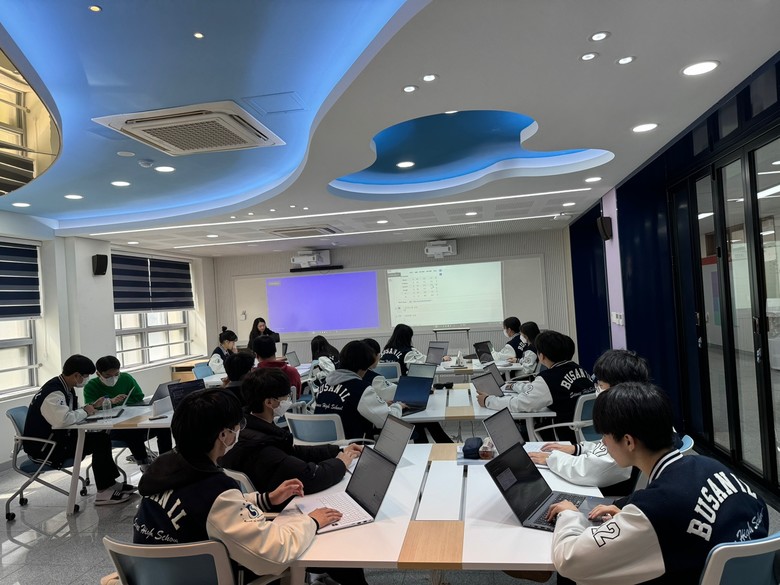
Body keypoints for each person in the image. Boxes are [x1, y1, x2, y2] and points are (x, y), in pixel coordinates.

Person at [548, 382, 768, 585]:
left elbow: (569, 561)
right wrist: (631, 520)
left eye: (605, 436)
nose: (603, 443)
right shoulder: (709, 465)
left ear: (628, 441)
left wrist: (570, 515)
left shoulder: (655, 508)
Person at [134, 388, 342, 578]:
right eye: (238, 426)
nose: (240, 430)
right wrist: (312, 521)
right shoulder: (214, 489)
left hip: (155, 575)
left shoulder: (164, 467)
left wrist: (266, 499)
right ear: (224, 435)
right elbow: (274, 554)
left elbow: (205, 509)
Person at [221, 368, 361, 499]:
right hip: (282, 503)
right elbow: (310, 477)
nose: (288, 400)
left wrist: (337, 450)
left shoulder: (248, 427)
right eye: (285, 397)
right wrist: (341, 463)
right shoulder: (262, 446)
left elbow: (292, 452)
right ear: (269, 402)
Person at [527, 349, 651, 493]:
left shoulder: (626, 421)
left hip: (609, 493)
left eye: (601, 385)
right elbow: (605, 448)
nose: (597, 389)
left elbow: (590, 471)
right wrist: (577, 449)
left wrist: (551, 459)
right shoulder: (637, 408)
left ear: (618, 388)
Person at [23, 354, 134, 505]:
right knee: (99, 442)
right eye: (86, 376)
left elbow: (68, 413)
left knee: (102, 438)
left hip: (59, 440)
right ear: (76, 375)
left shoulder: (65, 387)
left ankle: (109, 484)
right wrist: (86, 411)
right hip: (46, 448)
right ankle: (103, 492)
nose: (86, 379)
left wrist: (92, 406)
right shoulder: (54, 393)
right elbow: (62, 420)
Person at [476, 330, 593, 442]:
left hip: (562, 433)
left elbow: (520, 404)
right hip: (590, 432)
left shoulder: (549, 378)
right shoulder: (580, 369)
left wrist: (488, 400)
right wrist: (515, 386)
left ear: (541, 356)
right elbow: (543, 390)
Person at [84, 355, 173, 467]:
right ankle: (144, 464)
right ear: (98, 374)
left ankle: (167, 461)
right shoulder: (91, 386)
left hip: (130, 418)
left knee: (162, 427)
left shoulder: (126, 378)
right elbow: (91, 409)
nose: (113, 378)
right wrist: (111, 402)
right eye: (108, 376)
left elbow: (138, 396)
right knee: (131, 430)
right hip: (109, 429)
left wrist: (124, 401)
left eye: (116, 374)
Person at [364, 338, 452, 444]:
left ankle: (429, 444)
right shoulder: (373, 378)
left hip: (376, 416)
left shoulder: (385, 352)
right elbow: (392, 392)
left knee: (420, 417)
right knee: (419, 414)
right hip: (381, 421)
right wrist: (418, 389)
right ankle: (443, 443)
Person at [315, 340, 404, 439]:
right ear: (364, 366)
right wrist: (398, 406)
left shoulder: (323, 385)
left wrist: (380, 404)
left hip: (321, 443)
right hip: (352, 445)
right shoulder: (361, 389)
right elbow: (388, 421)